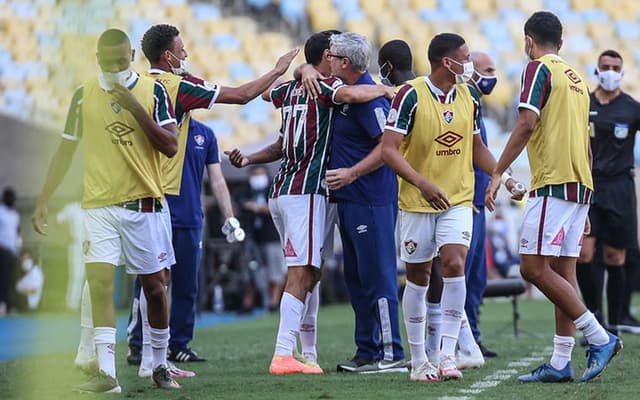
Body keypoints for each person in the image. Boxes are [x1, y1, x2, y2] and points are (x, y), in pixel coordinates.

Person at [121, 23, 298, 369]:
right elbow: (242, 95)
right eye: (181, 49)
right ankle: (150, 353)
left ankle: (147, 350)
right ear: (168, 55)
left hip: (140, 191)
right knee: (160, 280)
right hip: (167, 194)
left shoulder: (138, 86)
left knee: (153, 279)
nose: (186, 54)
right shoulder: (177, 86)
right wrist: (277, 70)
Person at [226, 30, 394, 375]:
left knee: (312, 270)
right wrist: (386, 89)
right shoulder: (325, 88)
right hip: (308, 191)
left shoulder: (287, 92)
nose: (334, 60)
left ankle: (309, 352)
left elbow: (281, 138)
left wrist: (251, 158)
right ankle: (284, 353)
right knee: (303, 272)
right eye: (331, 54)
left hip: (283, 190)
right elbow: (350, 92)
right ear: (325, 60)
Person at [32, 28, 179, 392]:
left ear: (131, 55)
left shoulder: (153, 90)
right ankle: (108, 375)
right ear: (97, 59)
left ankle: (160, 363)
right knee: (99, 285)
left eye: (120, 59)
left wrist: (134, 108)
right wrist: (42, 199)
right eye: (106, 60)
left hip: (144, 205)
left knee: (155, 289)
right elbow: (66, 150)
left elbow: (171, 146)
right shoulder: (83, 95)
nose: (113, 66)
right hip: (98, 205)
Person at [486, 11, 622, 383]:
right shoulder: (577, 78)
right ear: (560, 43)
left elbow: (527, 123)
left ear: (528, 41)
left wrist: (498, 171)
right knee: (563, 272)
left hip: (554, 183)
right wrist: (586, 197)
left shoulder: (538, 69)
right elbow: (586, 143)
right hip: (579, 184)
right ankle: (561, 361)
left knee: (532, 269)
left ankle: (599, 335)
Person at [380, 33, 516, 382]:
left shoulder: (469, 96)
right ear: (447, 62)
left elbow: (477, 148)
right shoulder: (409, 96)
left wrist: (503, 174)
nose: (469, 64)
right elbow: (389, 150)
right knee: (419, 277)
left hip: (457, 199)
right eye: (465, 57)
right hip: (417, 201)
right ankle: (420, 358)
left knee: (455, 263)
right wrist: (422, 183)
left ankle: (447, 353)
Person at [319, 32, 405, 374]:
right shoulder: (348, 94)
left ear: (344, 63)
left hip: (371, 199)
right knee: (356, 276)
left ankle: (391, 351)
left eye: (333, 55)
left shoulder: (370, 102)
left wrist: (353, 173)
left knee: (378, 275)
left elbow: (387, 149)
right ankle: (367, 349)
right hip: (352, 200)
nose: (327, 59)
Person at [577, 49, 640, 337]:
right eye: (606, 66)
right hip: (590, 186)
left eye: (616, 67)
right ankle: (593, 316)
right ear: (597, 70)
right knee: (584, 254)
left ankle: (616, 319)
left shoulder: (631, 107)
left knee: (616, 256)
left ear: (623, 72)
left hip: (620, 186)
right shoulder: (583, 104)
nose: (610, 72)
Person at [236, 166, 287, 312]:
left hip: (272, 236)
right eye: (254, 174)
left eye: (260, 174)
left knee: (275, 270)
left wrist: (258, 208)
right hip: (250, 236)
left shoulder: (275, 187)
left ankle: (273, 302)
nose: (257, 177)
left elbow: (277, 208)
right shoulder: (244, 190)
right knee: (250, 270)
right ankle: (249, 302)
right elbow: (238, 205)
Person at [56, 201, 85, 310]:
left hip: (92, 246)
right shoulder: (72, 208)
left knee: (90, 277)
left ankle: (87, 305)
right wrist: (66, 235)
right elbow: (58, 219)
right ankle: (72, 305)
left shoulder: (94, 207)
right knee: (76, 275)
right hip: (76, 246)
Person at [0, 187, 20, 316]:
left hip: (13, 251)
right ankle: (1, 304)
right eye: (10, 197)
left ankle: (10, 305)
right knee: (3, 278)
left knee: (12, 279)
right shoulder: (0, 211)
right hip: (2, 250)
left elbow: (17, 232)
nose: (12, 200)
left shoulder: (15, 214)